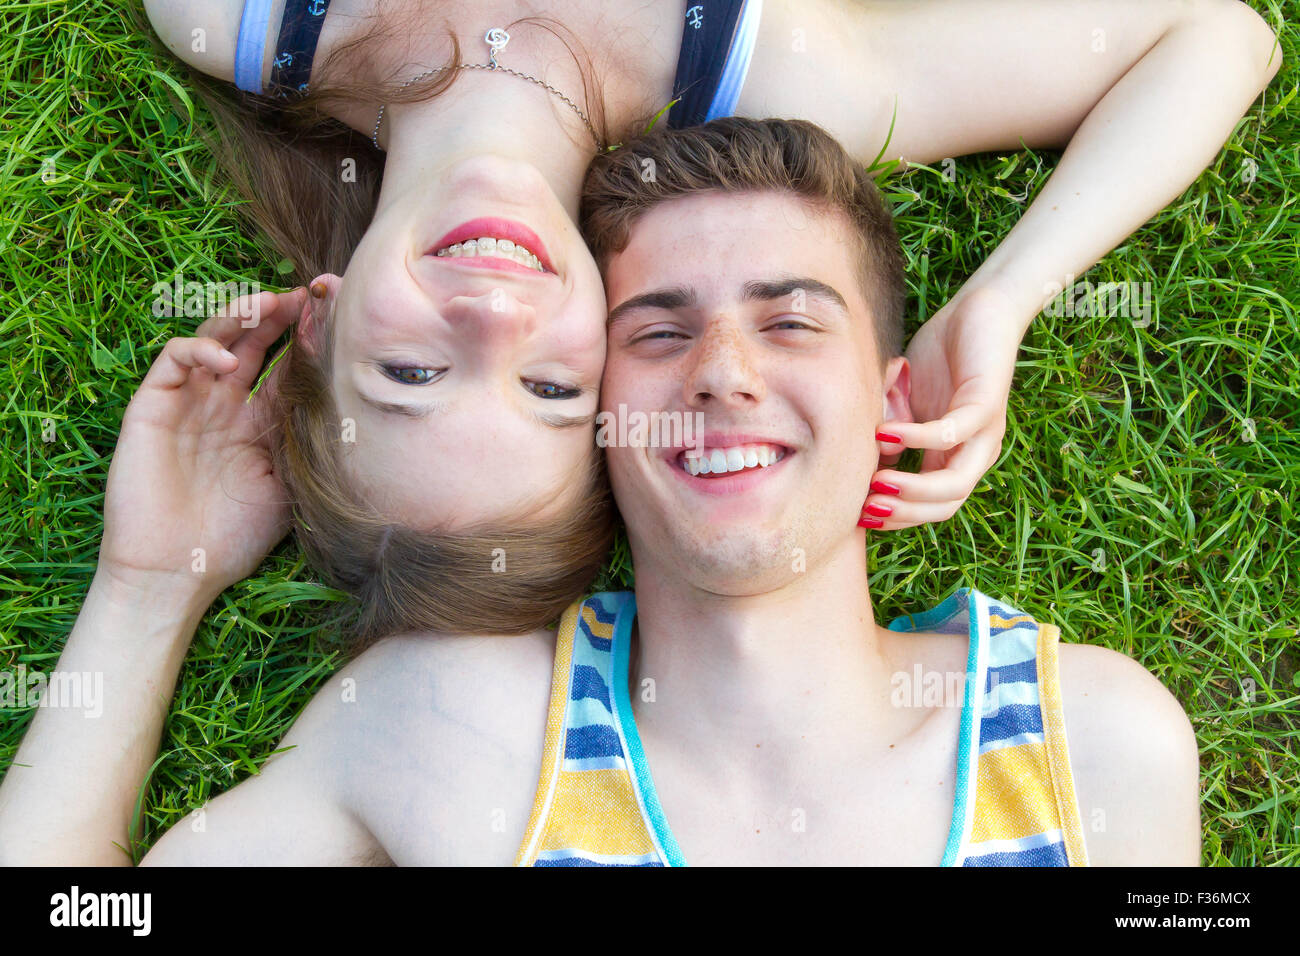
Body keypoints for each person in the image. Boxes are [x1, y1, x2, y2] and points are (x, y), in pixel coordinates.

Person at [0, 117, 1200, 865]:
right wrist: (149, 587)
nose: (725, 374)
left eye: (789, 320)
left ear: (891, 402)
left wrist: (1002, 300)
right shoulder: (447, 728)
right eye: (659, 331)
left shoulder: (1096, 745)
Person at [136, 0, 1283, 641]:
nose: (490, 315)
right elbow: (1213, 36)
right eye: (548, 390)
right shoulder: (777, 69)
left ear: (321, 324)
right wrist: (1002, 296)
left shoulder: (230, 11)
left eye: (412, 370)